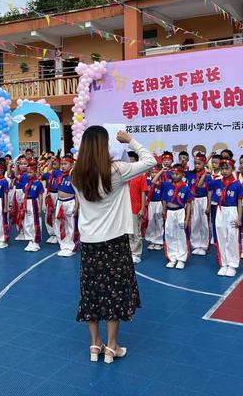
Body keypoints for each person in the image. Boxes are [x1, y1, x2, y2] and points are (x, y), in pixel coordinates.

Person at [72, 127, 156, 364]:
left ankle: (94, 343)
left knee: (91, 293)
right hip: (114, 242)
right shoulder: (117, 171)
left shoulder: (76, 174)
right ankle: (112, 346)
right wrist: (130, 141)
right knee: (113, 293)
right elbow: (150, 161)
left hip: (89, 243)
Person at [209, 158, 243, 277]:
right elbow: (204, 187)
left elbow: (240, 202)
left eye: (227, 168)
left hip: (232, 211)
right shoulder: (217, 182)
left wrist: (239, 218)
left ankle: (232, 264)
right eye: (222, 168)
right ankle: (223, 263)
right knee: (221, 237)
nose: (224, 171)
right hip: (220, 210)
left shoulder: (237, 185)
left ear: (233, 169)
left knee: (232, 237)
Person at [162, 164, 193, 270]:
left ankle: (181, 259)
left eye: (177, 174)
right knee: (170, 234)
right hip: (170, 213)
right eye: (173, 174)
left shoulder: (185, 188)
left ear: (182, 174)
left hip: (180, 212)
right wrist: (164, 210)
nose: (174, 176)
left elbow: (189, 204)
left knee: (181, 235)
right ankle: (172, 257)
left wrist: (186, 219)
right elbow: (164, 199)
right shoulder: (168, 186)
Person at [186, 153, 211, 256]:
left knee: (204, 223)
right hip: (194, 200)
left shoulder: (208, 176)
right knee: (195, 222)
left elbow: (210, 192)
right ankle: (196, 244)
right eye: (195, 163)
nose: (196, 165)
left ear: (204, 164)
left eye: (199, 163)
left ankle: (204, 245)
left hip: (204, 199)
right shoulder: (190, 174)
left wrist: (208, 205)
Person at [54, 155, 78, 257]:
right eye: (62, 164)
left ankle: (71, 246)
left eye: (65, 164)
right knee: (59, 223)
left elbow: (77, 193)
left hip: (70, 202)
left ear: (72, 165)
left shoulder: (74, 176)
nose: (63, 166)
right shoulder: (60, 175)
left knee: (70, 224)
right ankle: (63, 244)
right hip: (60, 202)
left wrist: (76, 207)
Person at [18, 162, 44, 252]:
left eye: (31, 173)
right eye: (28, 173)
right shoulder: (26, 183)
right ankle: (30, 239)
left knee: (35, 222)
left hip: (34, 202)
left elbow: (40, 196)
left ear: (35, 172)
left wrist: (40, 208)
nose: (29, 174)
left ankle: (36, 241)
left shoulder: (38, 183)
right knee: (27, 222)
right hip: (27, 202)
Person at [127, 151, 148, 264]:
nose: (130, 164)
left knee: (136, 232)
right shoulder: (125, 175)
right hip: (125, 208)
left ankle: (136, 253)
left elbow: (143, 193)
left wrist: (142, 208)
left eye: (132, 161)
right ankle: (130, 251)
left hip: (136, 208)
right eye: (128, 161)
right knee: (128, 232)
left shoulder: (141, 176)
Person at [144, 166, 165, 251]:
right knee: (151, 222)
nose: (154, 174)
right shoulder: (147, 182)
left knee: (159, 222)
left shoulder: (161, 183)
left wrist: (164, 208)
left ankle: (159, 242)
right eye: (152, 172)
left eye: (156, 172)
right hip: (151, 204)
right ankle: (152, 240)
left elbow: (163, 197)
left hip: (159, 203)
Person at [42, 156, 62, 244]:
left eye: (55, 164)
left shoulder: (60, 173)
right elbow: (46, 173)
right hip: (50, 194)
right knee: (48, 213)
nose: (53, 165)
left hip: (57, 194)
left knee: (56, 214)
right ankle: (52, 233)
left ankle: (57, 233)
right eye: (52, 164)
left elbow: (51, 171)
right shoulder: (49, 174)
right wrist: (50, 161)